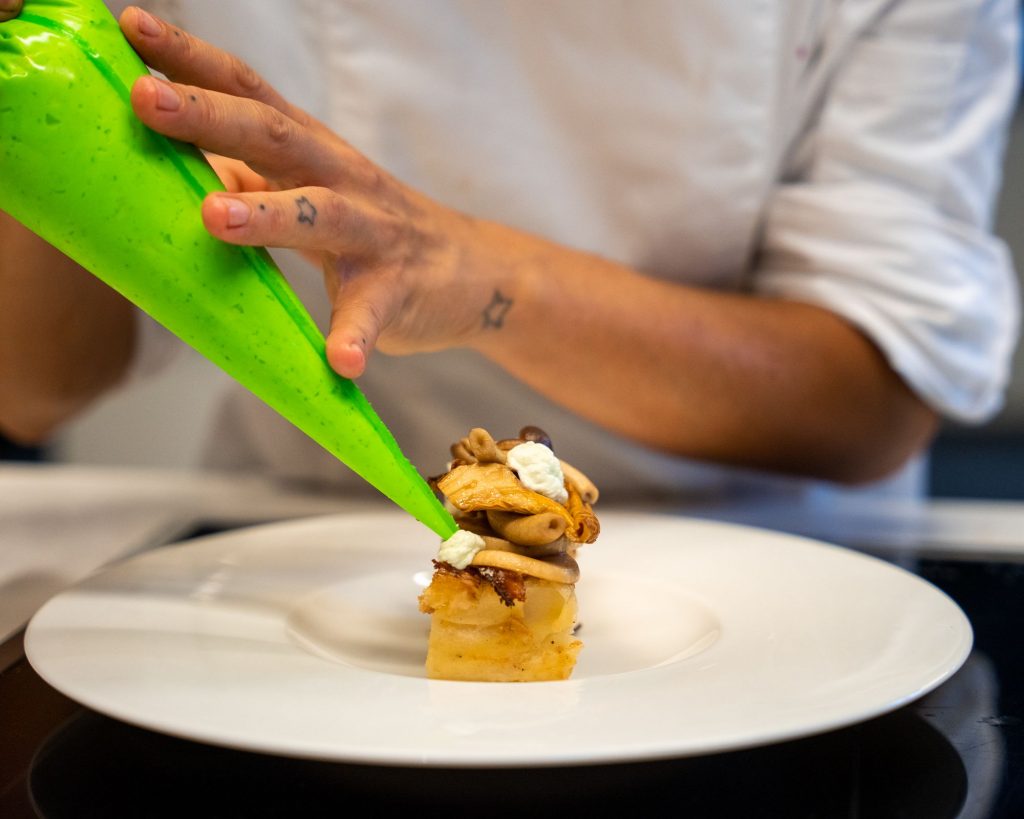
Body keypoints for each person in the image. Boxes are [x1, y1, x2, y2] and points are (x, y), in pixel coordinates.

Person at [0, 1, 1019, 503]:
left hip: (770, 571)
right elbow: (34, 383)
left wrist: (473, 275)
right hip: (294, 548)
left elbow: (874, 401)